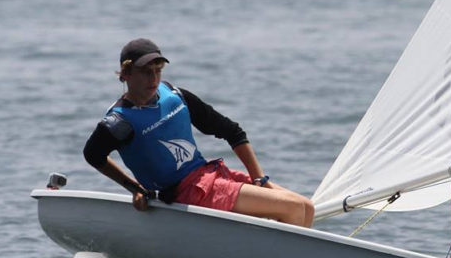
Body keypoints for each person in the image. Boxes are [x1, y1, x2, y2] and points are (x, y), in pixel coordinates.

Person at [83, 38, 314, 228]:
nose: (153, 79)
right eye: (145, 72)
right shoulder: (119, 121)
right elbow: (93, 155)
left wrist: (259, 180)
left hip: (210, 176)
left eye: (157, 71)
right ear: (125, 73)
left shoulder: (174, 95)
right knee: (292, 208)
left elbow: (233, 132)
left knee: (306, 206)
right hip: (186, 192)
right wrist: (135, 188)